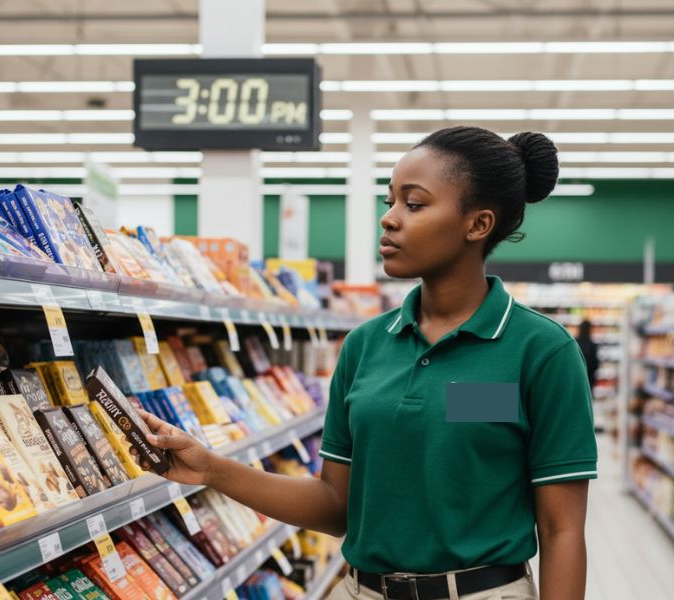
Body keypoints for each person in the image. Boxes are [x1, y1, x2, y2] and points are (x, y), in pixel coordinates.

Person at [140, 126, 598, 600]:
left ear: (477, 225)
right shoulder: (364, 346)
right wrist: (213, 469)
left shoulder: (541, 351)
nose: (390, 219)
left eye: (414, 204)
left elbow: (561, 529)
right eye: (390, 201)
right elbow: (336, 505)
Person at [576, 319, 600, 395]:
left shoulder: (574, 343)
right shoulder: (592, 345)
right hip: (588, 380)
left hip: (576, 378)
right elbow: (595, 364)